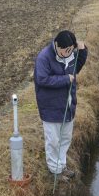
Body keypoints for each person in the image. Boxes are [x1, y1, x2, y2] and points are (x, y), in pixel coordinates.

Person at [34, 30, 88, 181]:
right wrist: (65, 79)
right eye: (65, 50)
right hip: (51, 107)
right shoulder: (44, 58)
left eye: (71, 50)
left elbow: (76, 67)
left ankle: (61, 166)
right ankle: (55, 172)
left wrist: (83, 51)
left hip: (68, 106)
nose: (68, 53)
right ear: (56, 45)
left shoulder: (70, 54)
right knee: (53, 140)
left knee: (65, 138)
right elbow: (42, 80)